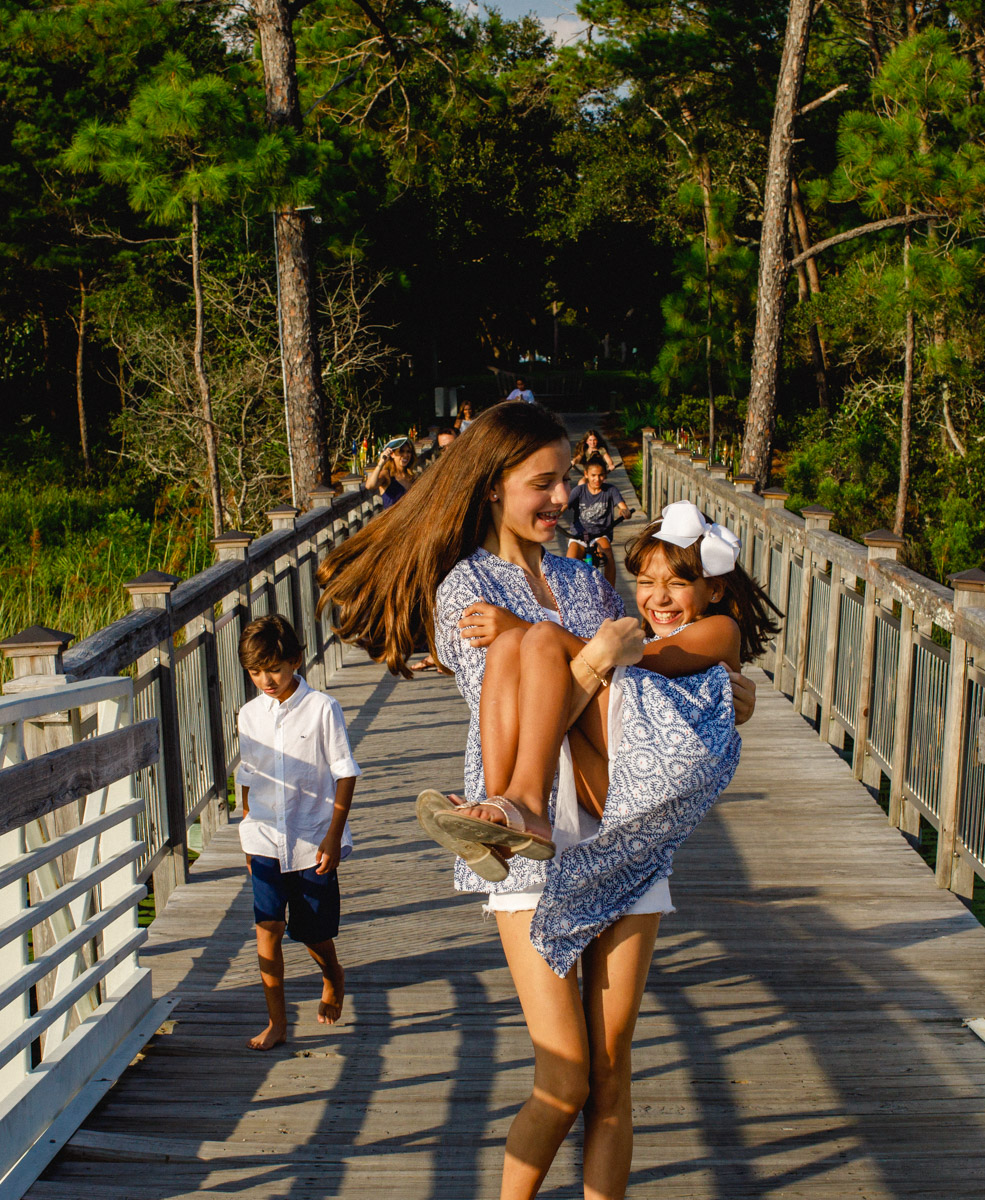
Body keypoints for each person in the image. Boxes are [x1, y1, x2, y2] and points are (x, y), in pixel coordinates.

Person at [318, 404, 761, 1200]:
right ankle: (513, 807)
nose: (561, 497)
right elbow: (543, 699)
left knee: (612, 1076)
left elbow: (647, 674)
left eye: (566, 479)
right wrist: (589, 657)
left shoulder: (581, 578)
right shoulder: (465, 591)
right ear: (492, 488)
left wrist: (723, 689)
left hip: (614, 824)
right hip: (523, 844)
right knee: (563, 1079)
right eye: (543, 482)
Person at [232, 614, 361, 1051]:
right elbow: (249, 775)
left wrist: (333, 836)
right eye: (254, 672)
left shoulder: (323, 708)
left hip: (312, 839)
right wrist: (249, 830)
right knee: (266, 926)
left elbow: (345, 773)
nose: (265, 679)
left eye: (274, 668)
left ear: (296, 660)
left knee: (311, 932)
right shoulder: (248, 716)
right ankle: (277, 1021)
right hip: (264, 838)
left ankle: (332, 973)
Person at [563, 459, 629, 586]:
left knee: (607, 554)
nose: (597, 479)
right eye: (593, 475)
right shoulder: (579, 490)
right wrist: (554, 515)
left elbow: (622, 506)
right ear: (586, 474)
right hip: (579, 535)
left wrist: (624, 511)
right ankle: (571, 593)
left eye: (601, 475)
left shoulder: (610, 490)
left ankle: (610, 593)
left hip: (600, 533)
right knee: (569, 561)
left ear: (605, 475)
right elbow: (564, 505)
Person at [365, 438, 414, 507]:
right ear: (392, 454)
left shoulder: (412, 476)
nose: (405, 455)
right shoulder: (387, 474)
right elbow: (369, 485)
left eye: (408, 452)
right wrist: (381, 463)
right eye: (401, 451)